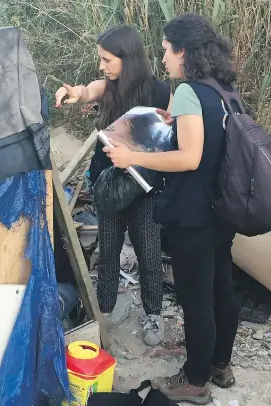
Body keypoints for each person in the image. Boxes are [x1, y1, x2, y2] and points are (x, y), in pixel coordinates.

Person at [103, 13, 239, 405]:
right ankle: (220, 365)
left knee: (197, 299)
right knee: (221, 289)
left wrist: (130, 156)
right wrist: (173, 122)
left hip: (192, 213)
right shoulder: (223, 88)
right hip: (221, 207)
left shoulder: (188, 91)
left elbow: (190, 157)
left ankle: (195, 381)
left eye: (166, 50)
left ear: (184, 51)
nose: (162, 58)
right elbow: (210, 139)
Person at [55, 25, 172, 346]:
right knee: (108, 251)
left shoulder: (162, 93)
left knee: (149, 252)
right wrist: (75, 93)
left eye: (107, 60)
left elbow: (171, 138)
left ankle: (153, 315)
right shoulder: (108, 89)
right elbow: (89, 90)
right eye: (101, 60)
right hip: (109, 185)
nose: (102, 66)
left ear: (127, 58)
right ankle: (102, 311)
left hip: (144, 185)